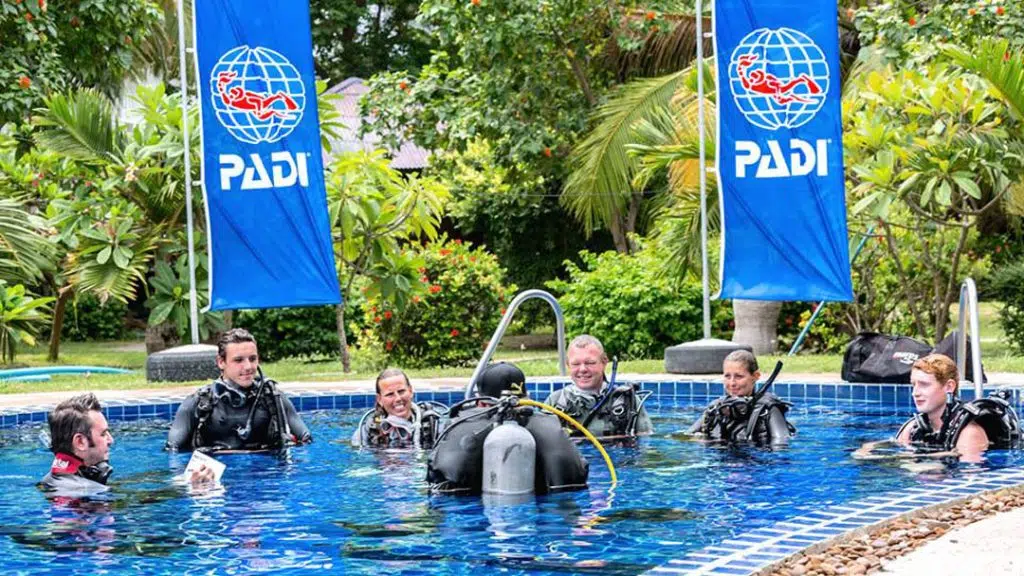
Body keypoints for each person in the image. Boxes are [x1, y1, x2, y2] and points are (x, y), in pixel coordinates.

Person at [427, 362, 589, 495]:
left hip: (471, 515)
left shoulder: (460, 425)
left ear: (480, 401)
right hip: (546, 516)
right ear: (527, 397)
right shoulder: (550, 423)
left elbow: (436, 478)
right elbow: (578, 473)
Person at [166, 328, 311, 452]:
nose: (248, 367)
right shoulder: (197, 404)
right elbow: (173, 454)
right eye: (238, 360)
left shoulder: (273, 398)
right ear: (221, 362)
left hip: (266, 478)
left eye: (252, 359)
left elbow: (306, 442)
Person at [41, 393, 214, 497]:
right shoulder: (87, 492)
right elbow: (133, 504)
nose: (111, 440)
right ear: (80, 442)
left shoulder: (50, 479)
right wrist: (191, 487)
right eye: (103, 434)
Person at [543, 335, 652, 438]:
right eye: (576, 364)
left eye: (590, 363)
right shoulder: (555, 402)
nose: (583, 369)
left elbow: (644, 443)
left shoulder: (627, 401)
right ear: (568, 365)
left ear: (604, 362)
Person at [892, 354, 999, 459]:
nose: (915, 393)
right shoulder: (912, 429)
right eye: (914, 385)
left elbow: (969, 472)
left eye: (924, 385)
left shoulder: (969, 434)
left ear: (949, 387)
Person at [688, 350, 794, 446]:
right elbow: (686, 436)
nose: (732, 383)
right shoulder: (716, 408)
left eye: (739, 376)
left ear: (755, 376)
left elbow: (781, 446)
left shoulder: (767, 408)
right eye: (727, 376)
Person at [351, 368, 445, 449]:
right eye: (390, 394)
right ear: (379, 399)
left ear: (411, 391)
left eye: (401, 391)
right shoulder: (367, 430)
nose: (398, 398)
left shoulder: (434, 424)